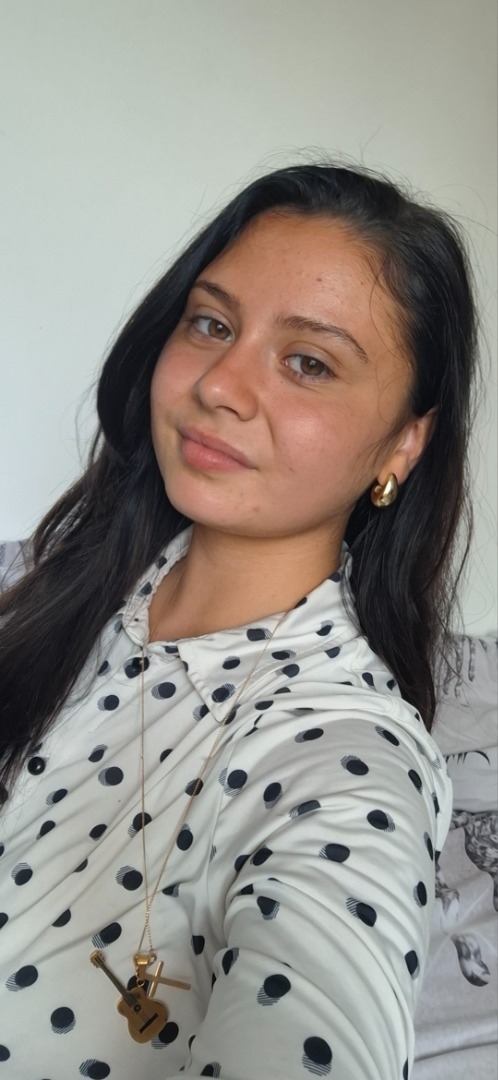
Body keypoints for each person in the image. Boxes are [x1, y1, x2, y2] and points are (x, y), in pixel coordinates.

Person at [0, 162, 477, 1080]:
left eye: (309, 362)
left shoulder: (345, 759)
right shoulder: (69, 583)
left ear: (403, 444)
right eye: (212, 324)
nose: (220, 383)